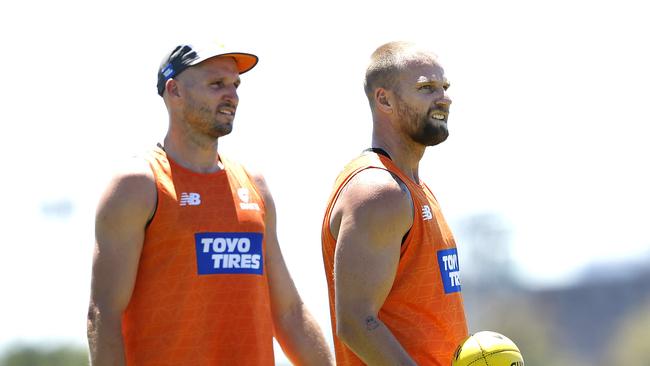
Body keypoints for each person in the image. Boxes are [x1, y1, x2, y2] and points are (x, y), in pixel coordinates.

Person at [87, 41, 334, 366]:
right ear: (174, 91)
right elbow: (103, 315)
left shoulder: (253, 185)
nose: (232, 95)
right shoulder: (138, 185)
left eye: (235, 85)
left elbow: (287, 312)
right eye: (216, 84)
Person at [321, 41, 469, 365]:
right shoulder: (378, 191)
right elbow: (356, 323)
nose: (444, 97)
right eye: (426, 88)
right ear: (384, 99)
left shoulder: (414, 188)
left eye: (444, 86)